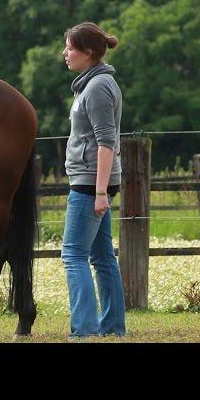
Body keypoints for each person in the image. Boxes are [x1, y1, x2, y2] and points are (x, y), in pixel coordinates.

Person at [60, 21, 126, 339]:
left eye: (71, 48)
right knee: (101, 256)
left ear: (88, 53)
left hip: (90, 183)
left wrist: (100, 192)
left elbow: (106, 142)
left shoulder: (98, 87)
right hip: (94, 181)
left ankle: (83, 330)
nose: (65, 54)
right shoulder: (93, 84)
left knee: (73, 255)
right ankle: (112, 326)